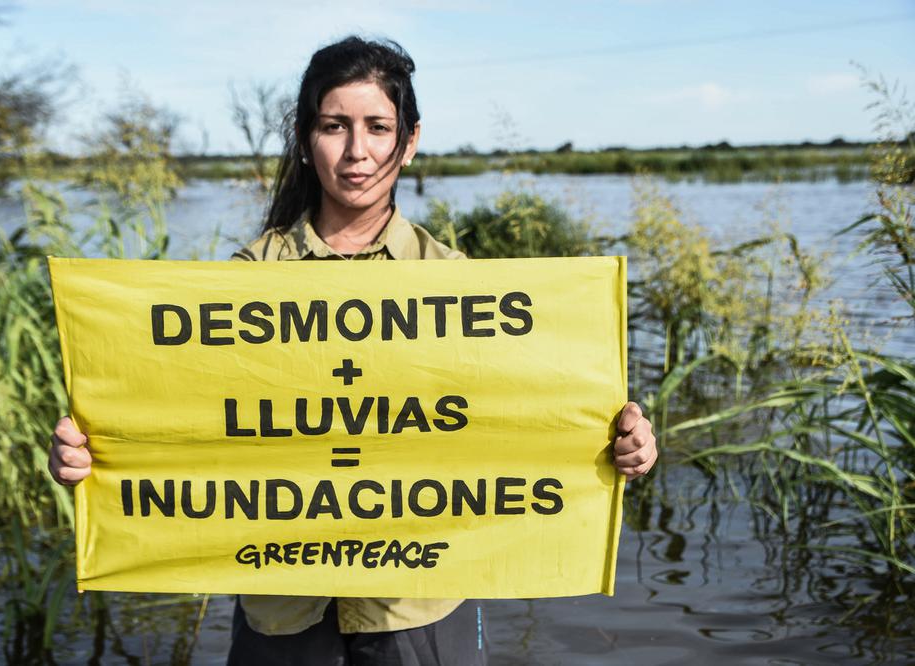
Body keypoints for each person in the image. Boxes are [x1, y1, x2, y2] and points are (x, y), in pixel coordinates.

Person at [47, 35, 659, 666]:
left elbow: (529, 421)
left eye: (378, 127)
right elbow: (174, 418)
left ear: (409, 141)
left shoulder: (460, 282)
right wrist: (89, 453)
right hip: (282, 602)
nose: (357, 151)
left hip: (418, 603)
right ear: (306, 141)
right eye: (334, 126)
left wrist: (624, 444)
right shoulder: (243, 281)